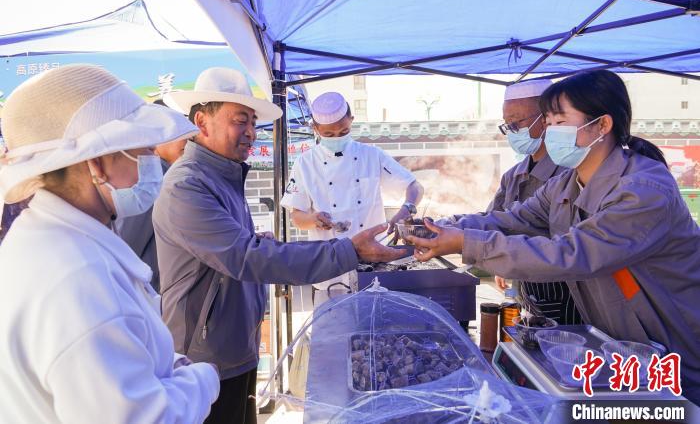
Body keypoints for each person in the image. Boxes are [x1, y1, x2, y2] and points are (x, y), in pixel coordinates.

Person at [407, 70, 700, 405]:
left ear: (602, 125)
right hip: (619, 345)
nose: (550, 131)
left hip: (674, 346)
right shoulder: (566, 183)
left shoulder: (644, 190)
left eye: (560, 121)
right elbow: (514, 220)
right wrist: (444, 227)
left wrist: (465, 243)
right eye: (548, 121)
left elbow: (572, 254)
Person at [157, 67, 407, 424]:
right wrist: (349, 250)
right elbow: (245, 258)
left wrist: (255, 242)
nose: (250, 132)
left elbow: (231, 251)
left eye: (253, 122)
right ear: (202, 121)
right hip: (205, 357)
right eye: (239, 121)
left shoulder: (224, 175)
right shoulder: (188, 185)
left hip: (234, 346)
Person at [0, 65, 220, 423]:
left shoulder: (43, 240)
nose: (151, 159)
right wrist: (202, 380)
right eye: (142, 148)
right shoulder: (79, 278)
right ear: (97, 163)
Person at [281, 91, 424, 302]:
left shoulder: (371, 155)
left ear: (352, 120)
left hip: (373, 265)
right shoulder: (305, 163)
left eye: (343, 131)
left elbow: (415, 186)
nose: (337, 138)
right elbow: (297, 217)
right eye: (329, 134)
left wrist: (406, 210)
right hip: (329, 269)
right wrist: (313, 219)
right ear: (315, 128)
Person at [486, 79, 580, 325]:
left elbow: (570, 245)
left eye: (517, 122)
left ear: (546, 119)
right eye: (507, 125)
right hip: (526, 290)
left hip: (564, 292)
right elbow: (494, 221)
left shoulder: (569, 174)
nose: (512, 130)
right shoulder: (513, 175)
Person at [116, 98, 187, 292]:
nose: (186, 139)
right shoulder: (153, 181)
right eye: (176, 131)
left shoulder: (173, 175)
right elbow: (129, 244)